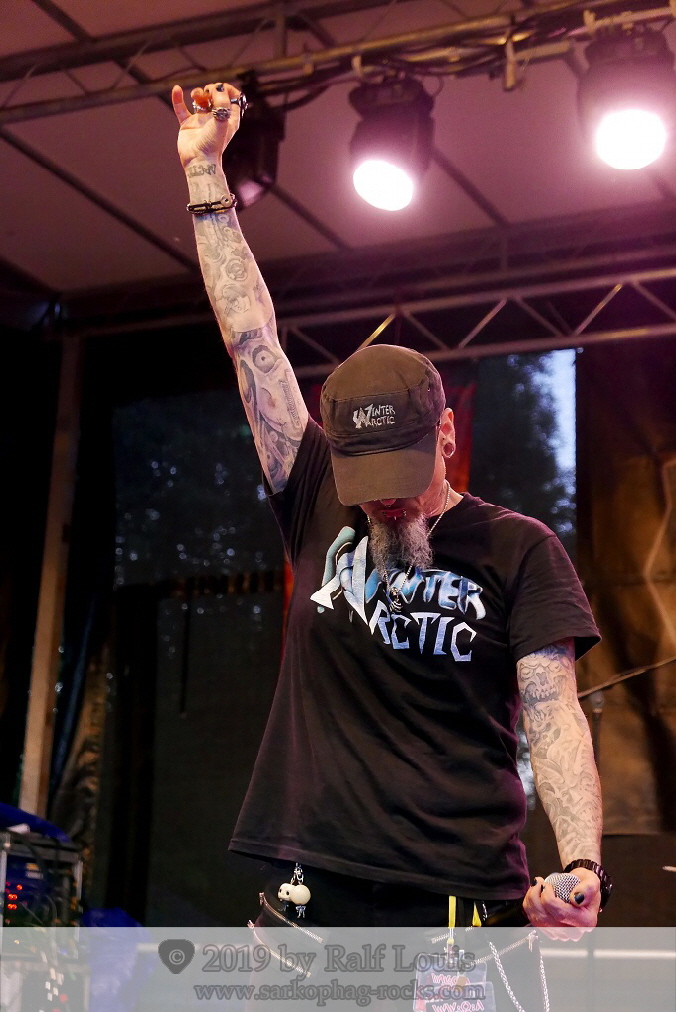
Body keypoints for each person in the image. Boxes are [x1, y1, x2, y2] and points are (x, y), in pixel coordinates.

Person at [171, 81, 611, 934]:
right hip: (313, 886)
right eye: (365, 475)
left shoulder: (519, 550)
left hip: (460, 893)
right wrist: (204, 175)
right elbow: (250, 338)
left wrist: (582, 863)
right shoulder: (312, 487)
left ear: (446, 433)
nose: (382, 496)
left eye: (401, 470)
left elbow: (553, 712)